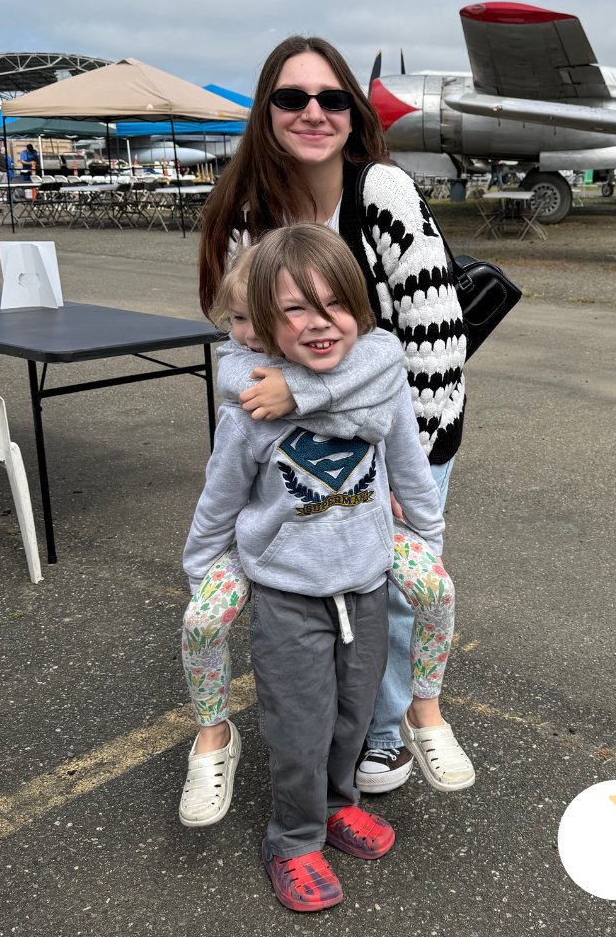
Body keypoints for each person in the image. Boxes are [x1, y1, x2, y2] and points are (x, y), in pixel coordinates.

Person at [198, 35, 468, 796]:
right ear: (267, 111)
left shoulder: (381, 191)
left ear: (353, 110)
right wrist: (278, 407)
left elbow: (431, 342)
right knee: (325, 591)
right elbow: (242, 351)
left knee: (393, 585)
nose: (314, 112)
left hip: (408, 427)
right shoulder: (255, 217)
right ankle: (336, 734)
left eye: (332, 98)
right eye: (292, 98)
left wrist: (394, 455)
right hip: (296, 450)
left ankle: (386, 734)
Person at [184, 225, 447, 912]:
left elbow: (413, 474)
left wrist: (428, 543)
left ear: (359, 310)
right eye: (296, 309)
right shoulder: (251, 412)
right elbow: (220, 496)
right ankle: (294, 839)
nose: (320, 322)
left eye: (334, 304)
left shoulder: (379, 391)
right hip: (288, 597)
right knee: (299, 727)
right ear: (265, 324)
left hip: (364, 587)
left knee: (352, 719)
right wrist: (201, 576)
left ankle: (337, 806)